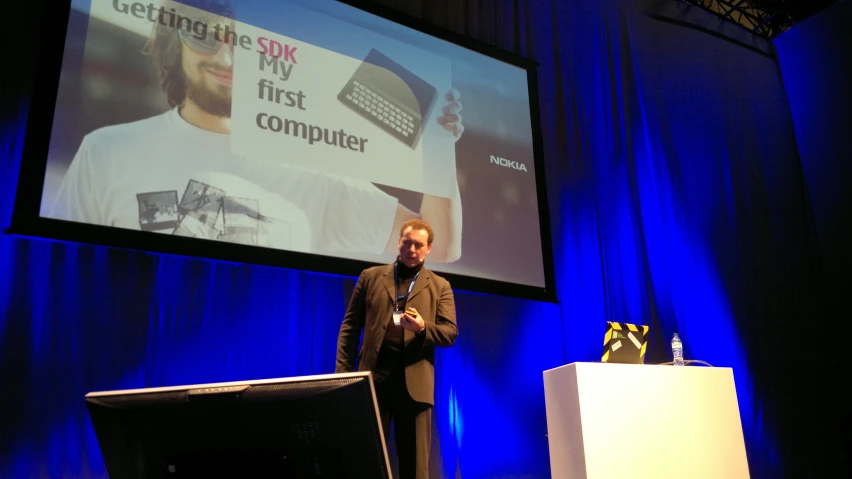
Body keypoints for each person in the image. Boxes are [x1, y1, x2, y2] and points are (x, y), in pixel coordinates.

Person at [51, 0, 463, 261]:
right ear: (173, 42)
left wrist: (438, 146)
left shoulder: (317, 168)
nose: (226, 58)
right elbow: (60, 265)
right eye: (203, 36)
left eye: (246, 43)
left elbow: (439, 245)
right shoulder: (106, 151)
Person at [336, 218, 458, 479]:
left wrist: (423, 327)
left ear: (429, 249)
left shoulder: (439, 286)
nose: (412, 249)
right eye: (407, 242)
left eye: (418, 245)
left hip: (414, 386)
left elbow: (450, 333)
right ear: (398, 242)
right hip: (373, 380)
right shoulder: (370, 277)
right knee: (364, 457)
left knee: (415, 466)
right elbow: (349, 329)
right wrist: (344, 376)